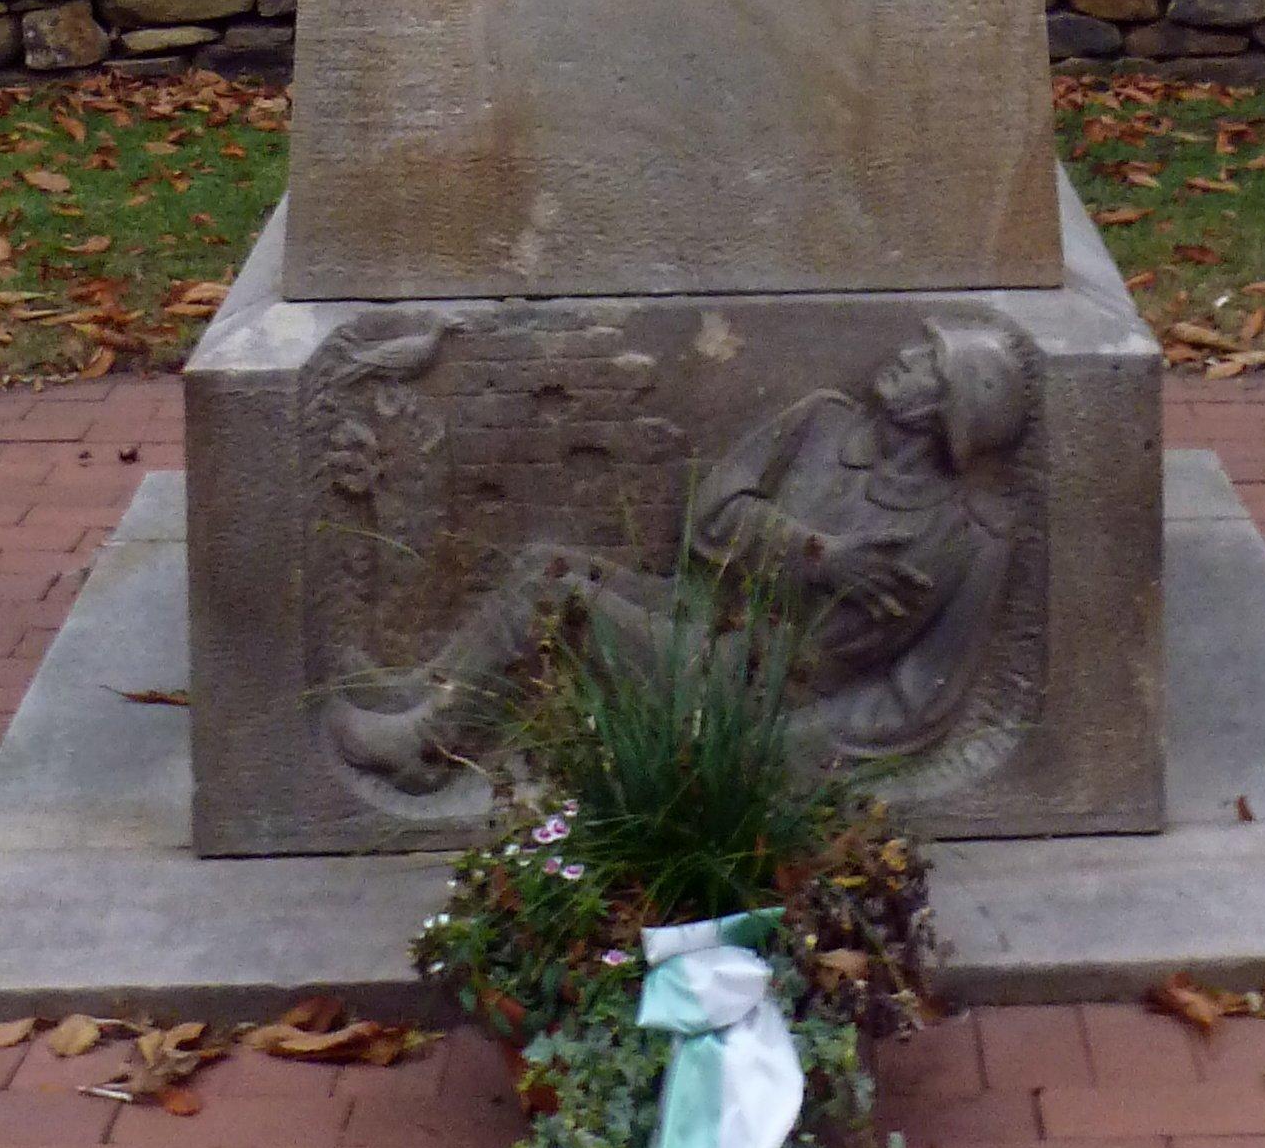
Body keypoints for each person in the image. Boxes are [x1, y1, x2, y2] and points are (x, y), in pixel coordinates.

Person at [321, 316, 1030, 794]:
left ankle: (427, 749)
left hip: (749, 689)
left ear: (947, 412)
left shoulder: (969, 539)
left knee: (555, 600)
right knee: (544, 565)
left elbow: (916, 701)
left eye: (928, 362)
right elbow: (713, 518)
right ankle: (427, 691)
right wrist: (819, 555)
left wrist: (773, 752)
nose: (905, 356)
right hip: (704, 614)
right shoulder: (823, 421)